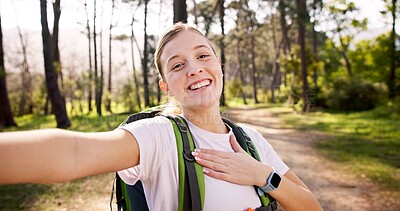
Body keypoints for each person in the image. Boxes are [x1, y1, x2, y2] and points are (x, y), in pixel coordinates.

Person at [0, 22, 323, 211]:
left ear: (219, 66)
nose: (194, 68)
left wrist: (263, 176)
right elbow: (71, 152)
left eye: (202, 55)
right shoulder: (158, 136)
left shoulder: (252, 141)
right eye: (178, 64)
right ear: (166, 86)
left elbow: (312, 207)